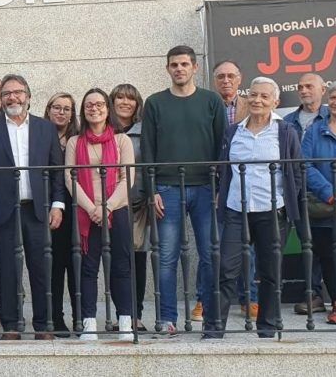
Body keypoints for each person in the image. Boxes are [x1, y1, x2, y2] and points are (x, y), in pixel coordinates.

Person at [203, 77, 302, 339]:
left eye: (264, 97)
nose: (257, 100)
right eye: (254, 95)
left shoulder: (286, 132)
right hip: (237, 210)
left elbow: (296, 172)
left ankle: (267, 328)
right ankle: (213, 329)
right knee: (225, 269)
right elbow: (225, 169)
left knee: (270, 272)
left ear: (275, 102)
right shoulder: (233, 132)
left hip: (273, 211)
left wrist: (285, 198)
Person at [0, 74, 65, 340]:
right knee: (8, 268)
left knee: (41, 267)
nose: (13, 97)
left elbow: (57, 171)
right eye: (7, 93)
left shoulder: (45, 128)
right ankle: (11, 325)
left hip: (38, 209)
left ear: (28, 96)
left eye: (18, 92)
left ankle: (44, 325)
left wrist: (57, 205)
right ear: (0, 99)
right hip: (3, 210)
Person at [141, 45, 226, 336]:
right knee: (166, 257)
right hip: (166, 188)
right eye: (174, 65)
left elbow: (221, 147)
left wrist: (219, 187)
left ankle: (213, 317)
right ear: (167, 68)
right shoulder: (154, 103)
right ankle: (167, 319)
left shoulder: (211, 101)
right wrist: (151, 189)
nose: (179, 69)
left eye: (184, 64)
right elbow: (148, 149)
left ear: (194, 68)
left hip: (205, 188)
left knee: (210, 253)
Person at [65, 88, 135, 341]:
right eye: (88, 105)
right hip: (87, 214)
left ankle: (125, 322)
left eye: (99, 104)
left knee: (121, 268)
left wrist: (106, 207)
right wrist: (92, 208)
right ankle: (89, 324)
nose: (94, 108)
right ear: (83, 111)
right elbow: (70, 178)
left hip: (117, 210)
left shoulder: (121, 141)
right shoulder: (75, 142)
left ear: (108, 108)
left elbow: (128, 178)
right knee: (88, 268)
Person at [192, 60, 258, 323]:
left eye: (231, 76)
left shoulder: (251, 105)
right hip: (211, 184)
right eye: (221, 77)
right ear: (213, 80)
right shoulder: (205, 104)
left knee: (246, 246)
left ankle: (249, 298)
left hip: (244, 185)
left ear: (240, 79)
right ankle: (203, 298)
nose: (226, 81)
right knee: (211, 246)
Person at [284, 73, 329, 315]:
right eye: (300, 87)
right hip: (297, 191)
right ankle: (313, 294)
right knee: (307, 244)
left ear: (323, 88)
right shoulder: (288, 120)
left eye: (309, 86)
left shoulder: (333, 118)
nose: (303, 90)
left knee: (331, 244)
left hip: (327, 189)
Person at [302, 80, 336, 324]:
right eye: (334, 98)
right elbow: (304, 164)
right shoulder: (314, 130)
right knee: (330, 256)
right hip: (326, 204)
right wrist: (331, 192)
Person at [110, 83, 148, 331]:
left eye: (130, 98)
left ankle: (136, 314)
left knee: (137, 258)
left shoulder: (145, 131)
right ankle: (121, 313)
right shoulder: (103, 130)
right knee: (116, 260)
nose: (125, 102)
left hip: (139, 203)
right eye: (120, 97)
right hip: (111, 205)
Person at [44, 92, 79, 336]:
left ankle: (80, 316)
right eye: (56, 107)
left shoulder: (78, 139)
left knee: (76, 264)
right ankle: (56, 317)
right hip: (50, 207)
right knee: (54, 265)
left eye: (67, 109)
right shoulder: (39, 135)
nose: (61, 112)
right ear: (48, 110)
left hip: (77, 207)